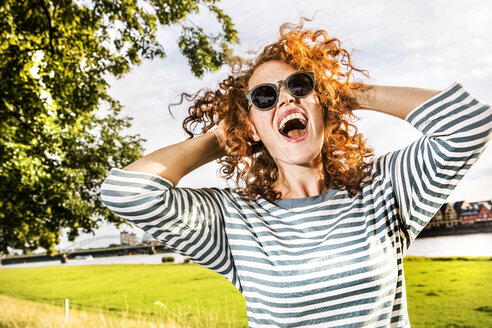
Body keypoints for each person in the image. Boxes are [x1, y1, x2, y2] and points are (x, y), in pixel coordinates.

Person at [100, 24, 492, 327]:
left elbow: (469, 124)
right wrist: (229, 134)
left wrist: (346, 93)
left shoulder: (383, 187)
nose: (286, 97)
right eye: (265, 97)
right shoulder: (235, 221)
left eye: (300, 86)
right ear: (251, 127)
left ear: (322, 104)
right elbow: (127, 192)